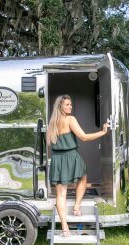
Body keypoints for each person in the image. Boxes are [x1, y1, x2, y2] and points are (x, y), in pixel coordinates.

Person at [47, 95, 109, 237]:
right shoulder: (70, 119)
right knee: (83, 178)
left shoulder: (51, 123)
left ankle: (64, 227)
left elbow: (49, 143)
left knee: (60, 194)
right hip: (71, 155)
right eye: (67, 104)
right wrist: (103, 132)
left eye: (70, 104)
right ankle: (76, 207)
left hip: (57, 158)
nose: (70, 107)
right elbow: (84, 137)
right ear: (60, 106)